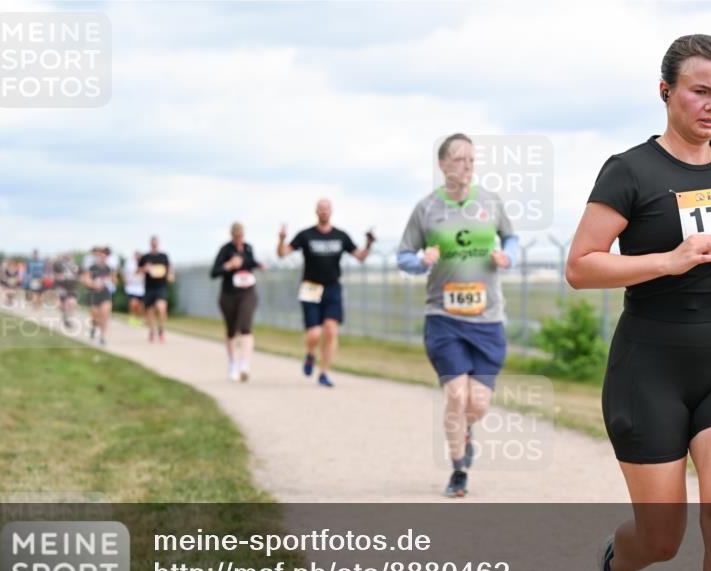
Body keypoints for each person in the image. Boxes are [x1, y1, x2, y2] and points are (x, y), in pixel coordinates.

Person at [565, 35, 711, 571]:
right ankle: (619, 565)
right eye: (700, 91)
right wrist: (666, 261)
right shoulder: (630, 171)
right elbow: (580, 266)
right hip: (648, 369)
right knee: (662, 539)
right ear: (667, 93)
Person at [396, 133, 519, 498]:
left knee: (477, 403)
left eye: (471, 160)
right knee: (455, 395)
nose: (467, 166)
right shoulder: (426, 209)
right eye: (460, 159)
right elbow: (403, 255)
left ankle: (466, 430)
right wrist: (421, 260)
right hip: (443, 317)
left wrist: (507, 256)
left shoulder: (490, 202)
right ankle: (458, 469)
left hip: (488, 319)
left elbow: (510, 238)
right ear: (443, 164)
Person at [277, 199, 374, 387]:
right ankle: (310, 354)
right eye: (321, 209)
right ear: (316, 211)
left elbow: (360, 256)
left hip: (332, 288)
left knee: (331, 330)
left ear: (331, 211)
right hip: (311, 287)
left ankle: (323, 372)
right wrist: (281, 239)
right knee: (314, 333)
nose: (324, 212)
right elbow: (282, 254)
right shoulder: (305, 235)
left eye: (327, 209)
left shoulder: (341, 236)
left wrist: (368, 244)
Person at [211, 222, 265, 381]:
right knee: (231, 330)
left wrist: (259, 264)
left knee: (245, 327)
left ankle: (244, 364)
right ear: (232, 235)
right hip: (229, 294)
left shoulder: (248, 248)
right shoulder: (225, 249)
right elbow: (214, 272)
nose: (239, 238)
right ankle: (232, 363)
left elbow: (251, 262)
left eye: (241, 235)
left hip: (248, 292)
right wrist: (229, 265)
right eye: (236, 236)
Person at [138, 236, 174, 342]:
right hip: (149, 288)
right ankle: (151, 331)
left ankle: (161, 329)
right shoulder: (145, 257)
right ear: (150, 244)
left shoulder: (164, 256)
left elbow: (170, 267)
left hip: (161, 287)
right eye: (152, 243)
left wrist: (171, 274)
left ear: (158, 244)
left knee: (161, 308)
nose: (154, 245)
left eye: (156, 243)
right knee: (149, 311)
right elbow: (138, 271)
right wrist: (145, 269)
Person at [82, 249, 115, 345]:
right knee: (95, 316)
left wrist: (112, 280)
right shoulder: (92, 268)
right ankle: (94, 327)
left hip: (105, 293)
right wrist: (94, 285)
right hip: (94, 294)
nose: (103, 258)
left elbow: (114, 280)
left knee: (105, 314)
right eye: (101, 256)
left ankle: (102, 337)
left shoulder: (109, 268)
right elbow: (85, 280)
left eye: (105, 256)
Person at [53, 254, 80, 328]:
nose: (69, 259)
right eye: (67, 258)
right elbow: (55, 275)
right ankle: (65, 316)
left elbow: (79, 276)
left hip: (72, 287)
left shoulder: (76, 267)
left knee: (72, 303)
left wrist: (76, 278)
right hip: (61, 287)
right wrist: (59, 276)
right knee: (64, 305)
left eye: (70, 258)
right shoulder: (59, 265)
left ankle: (69, 319)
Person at [123, 250, 146, 326]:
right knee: (133, 303)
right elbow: (125, 272)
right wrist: (125, 280)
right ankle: (132, 318)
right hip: (132, 287)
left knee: (140, 306)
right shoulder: (130, 263)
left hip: (141, 288)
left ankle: (137, 319)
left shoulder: (144, 263)